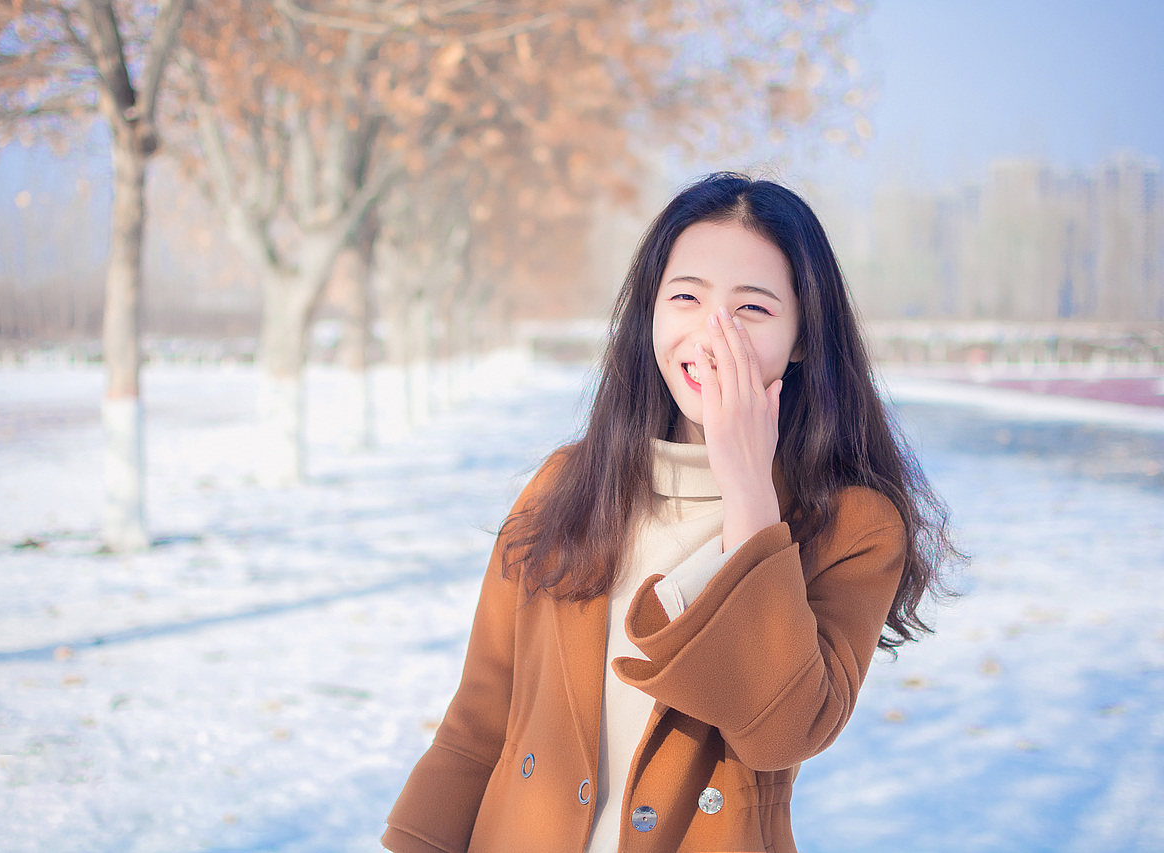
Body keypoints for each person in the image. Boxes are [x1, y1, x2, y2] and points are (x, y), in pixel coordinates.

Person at [381, 173, 956, 853]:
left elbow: (780, 730)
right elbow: (479, 718)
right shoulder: (567, 484)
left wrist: (748, 489)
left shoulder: (854, 525)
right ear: (651, 311)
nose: (713, 334)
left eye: (753, 309)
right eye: (686, 296)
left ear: (802, 338)